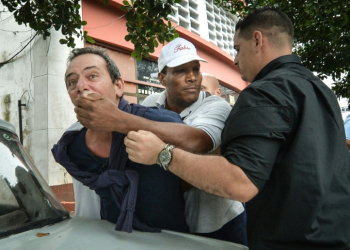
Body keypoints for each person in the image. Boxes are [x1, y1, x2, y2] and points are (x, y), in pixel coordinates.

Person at [124, 7, 350, 249]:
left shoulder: (264, 92)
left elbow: (240, 182)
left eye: (237, 49)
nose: (235, 59)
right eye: (180, 70)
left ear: (257, 40)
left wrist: (162, 154)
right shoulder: (321, 89)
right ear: (162, 78)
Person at [51, 47, 190, 234]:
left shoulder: (156, 120)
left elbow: (193, 141)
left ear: (118, 86)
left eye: (92, 76)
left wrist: (118, 121)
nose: (80, 87)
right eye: (72, 82)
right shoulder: (73, 146)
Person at [142, 37, 247, 245]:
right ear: (162, 79)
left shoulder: (216, 105)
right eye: (181, 71)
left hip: (219, 221)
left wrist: (125, 122)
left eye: (196, 69)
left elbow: (196, 143)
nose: (192, 77)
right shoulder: (149, 103)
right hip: (171, 222)